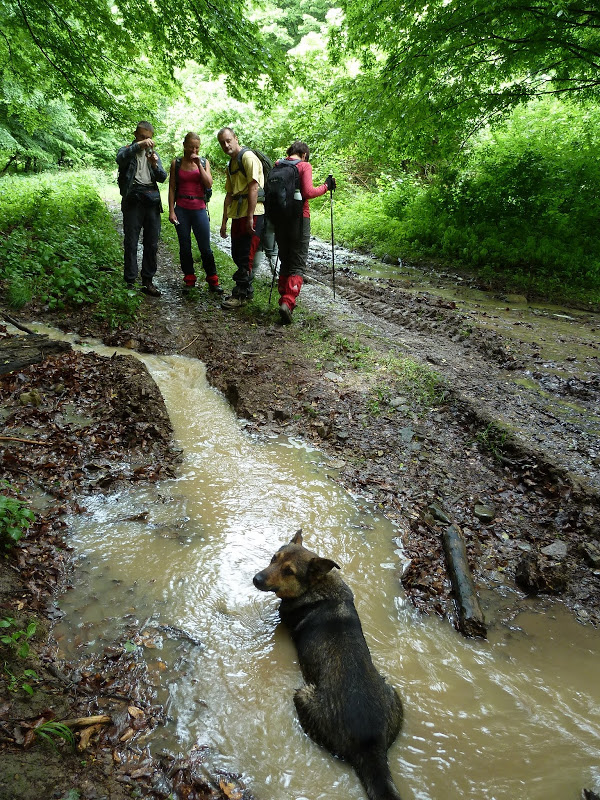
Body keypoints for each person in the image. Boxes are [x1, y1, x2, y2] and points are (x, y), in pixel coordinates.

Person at [271, 141, 335, 324]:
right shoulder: (304, 165)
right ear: (305, 154)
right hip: (299, 218)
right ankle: (288, 302)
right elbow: (307, 192)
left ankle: (283, 298)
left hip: (279, 218)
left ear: (290, 152)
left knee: (285, 259)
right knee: (298, 262)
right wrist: (326, 186)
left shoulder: (278, 165)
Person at [116, 121, 167, 296]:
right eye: (142, 137)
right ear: (136, 135)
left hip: (151, 200)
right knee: (131, 241)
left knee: (151, 243)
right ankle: (130, 281)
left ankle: (148, 281)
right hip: (132, 199)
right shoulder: (127, 150)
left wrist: (154, 164)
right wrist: (138, 146)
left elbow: (162, 177)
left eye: (148, 138)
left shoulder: (153, 154)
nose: (146, 141)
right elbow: (120, 159)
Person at [217, 127, 265, 309]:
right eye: (222, 142)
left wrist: (251, 216)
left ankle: (241, 295)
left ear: (236, 138)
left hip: (253, 213)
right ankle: (247, 290)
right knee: (237, 253)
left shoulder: (248, 157)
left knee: (246, 256)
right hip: (238, 213)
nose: (226, 145)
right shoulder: (231, 164)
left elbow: (254, 187)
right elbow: (229, 194)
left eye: (229, 140)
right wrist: (224, 221)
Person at [168, 132, 222, 294]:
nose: (194, 150)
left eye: (197, 147)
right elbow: (172, 187)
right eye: (191, 146)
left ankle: (213, 280)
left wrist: (199, 164)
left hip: (199, 209)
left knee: (205, 247)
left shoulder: (204, 162)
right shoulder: (176, 163)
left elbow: (209, 183)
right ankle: (189, 279)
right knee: (185, 246)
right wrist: (171, 210)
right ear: (184, 145)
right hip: (182, 209)